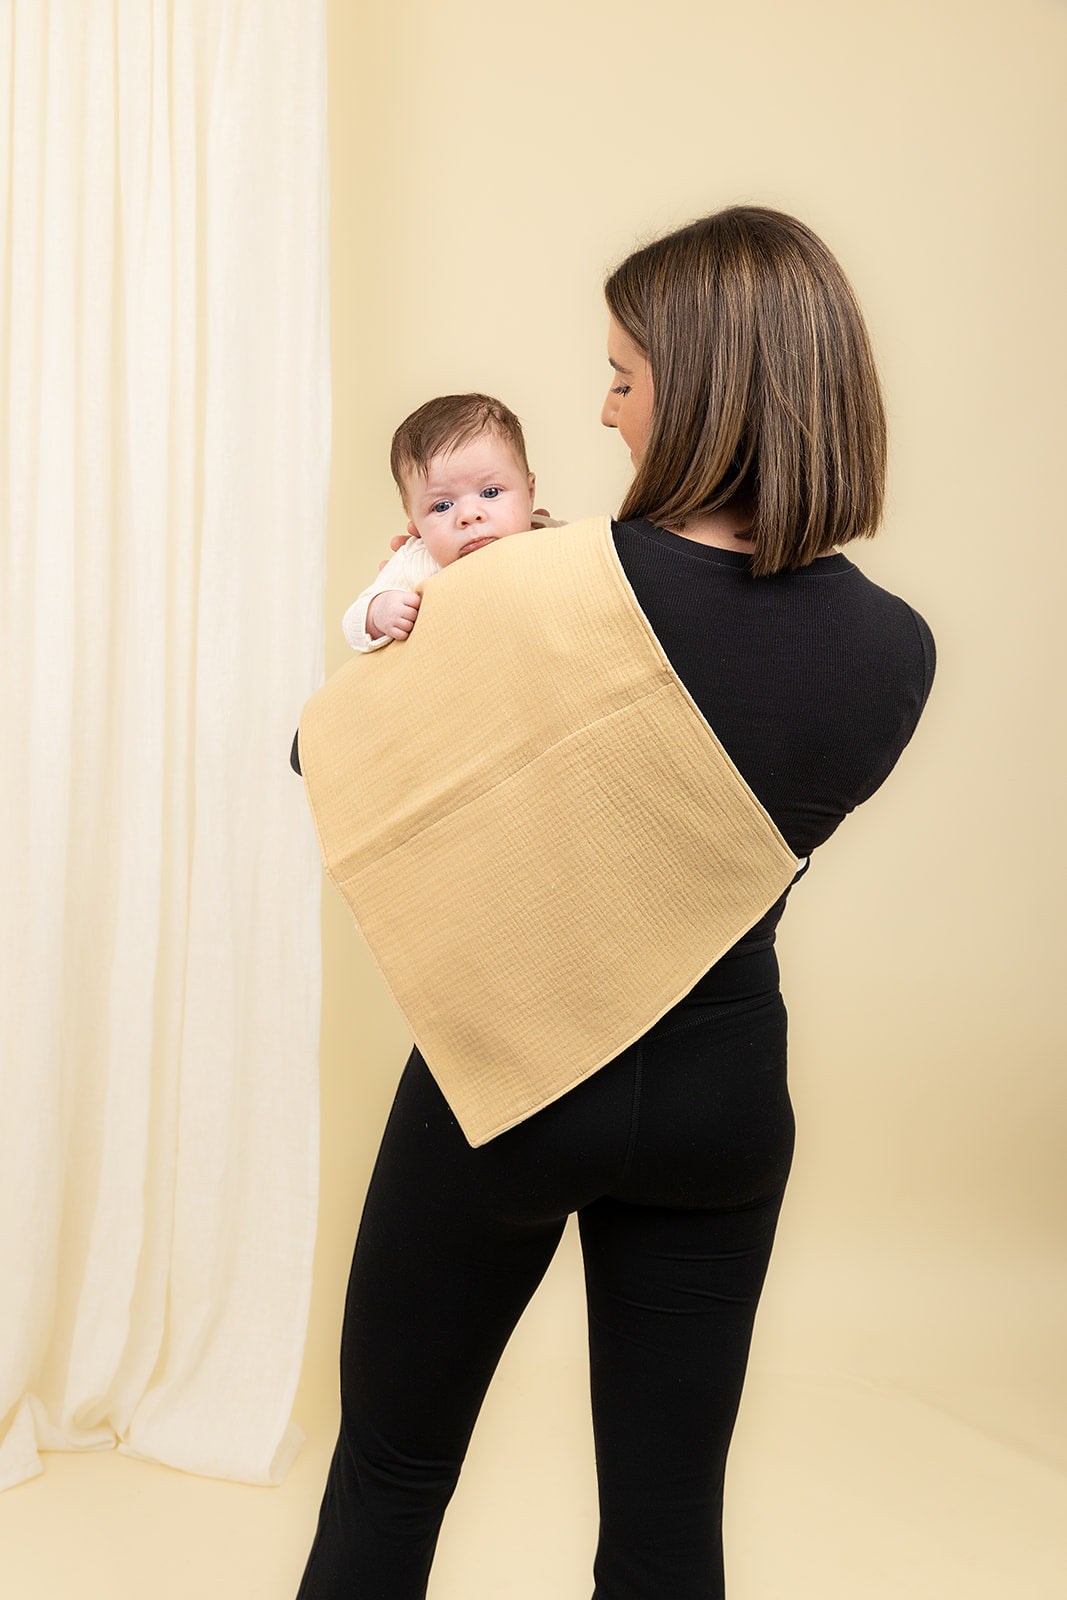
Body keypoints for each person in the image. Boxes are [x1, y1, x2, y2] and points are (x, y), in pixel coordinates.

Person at [294, 205, 935, 1600]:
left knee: (393, 1475)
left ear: (699, 393)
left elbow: (326, 754)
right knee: (665, 1533)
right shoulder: (892, 651)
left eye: (624, 378)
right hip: (718, 1105)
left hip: (508, 1083)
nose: (600, 407)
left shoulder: (528, 588)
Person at [341, 391, 558, 653]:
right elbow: (352, 624)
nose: (468, 516)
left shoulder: (550, 536)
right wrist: (379, 611)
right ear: (415, 522)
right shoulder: (415, 563)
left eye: (490, 492)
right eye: (442, 506)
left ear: (529, 492)